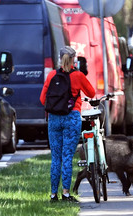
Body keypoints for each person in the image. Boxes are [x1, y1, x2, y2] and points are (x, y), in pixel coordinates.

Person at [40, 46, 95, 202]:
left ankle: (52, 195)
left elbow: (43, 100)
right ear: (73, 59)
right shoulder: (78, 75)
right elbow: (91, 93)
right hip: (71, 118)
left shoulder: (51, 75)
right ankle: (65, 193)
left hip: (54, 120)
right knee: (67, 157)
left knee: (56, 158)